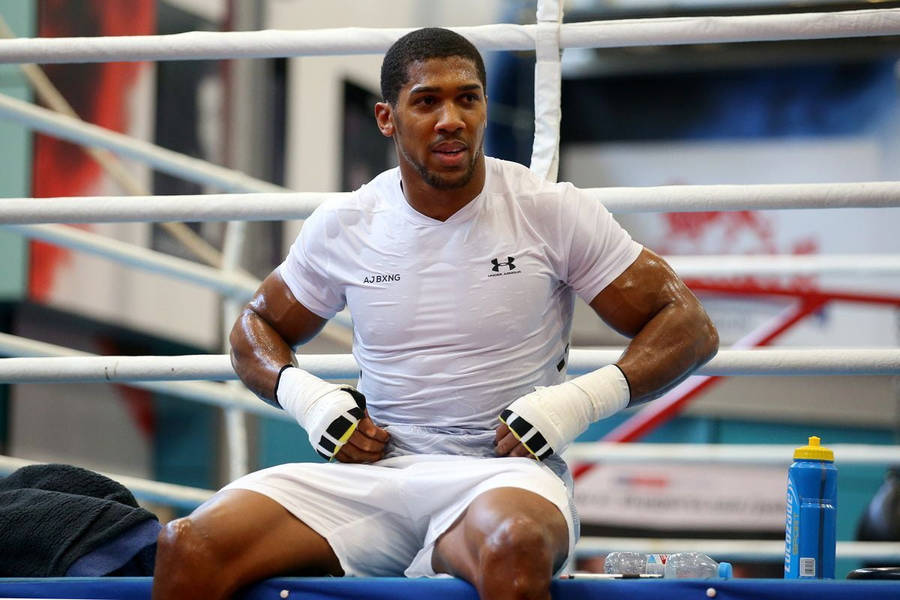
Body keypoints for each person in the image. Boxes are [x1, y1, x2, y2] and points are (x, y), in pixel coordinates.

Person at [152, 27, 718, 600]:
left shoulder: (548, 211)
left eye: (466, 98)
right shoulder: (350, 223)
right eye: (427, 101)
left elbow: (688, 326)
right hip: (372, 478)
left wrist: (580, 402)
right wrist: (310, 399)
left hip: (502, 478)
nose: (451, 119)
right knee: (188, 545)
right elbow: (255, 328)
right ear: (386, 118)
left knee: (514, 546)